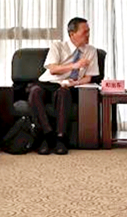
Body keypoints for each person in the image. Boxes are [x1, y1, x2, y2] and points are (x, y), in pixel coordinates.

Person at [29, 17, 100, 155]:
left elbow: (88, 77)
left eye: (88, 31)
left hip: (69, 86)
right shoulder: (58, 46)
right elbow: (53, 69)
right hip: (48, 83)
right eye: (84, 32)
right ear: (72, 34)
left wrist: (74, 83)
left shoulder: (91, 51)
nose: (88, 35)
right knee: (35, 91)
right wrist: (75, 65)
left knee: (63, 92)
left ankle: (60, 139)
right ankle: (46, 135)